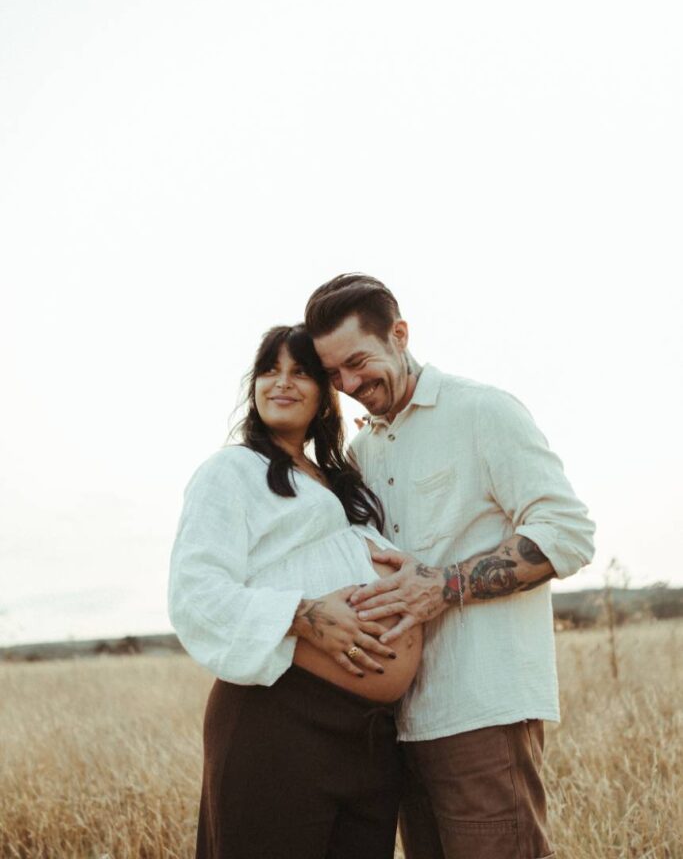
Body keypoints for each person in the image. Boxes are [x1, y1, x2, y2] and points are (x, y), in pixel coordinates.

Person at [304, 273, 596, 859]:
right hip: (403, 721)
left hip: (481, 712)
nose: (351, 383)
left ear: (400, 335)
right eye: (334, 375)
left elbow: (568, 532)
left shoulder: (482, 411)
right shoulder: (364, 451)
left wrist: (445, 586)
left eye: (358, 362)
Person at [168, 324, 423, 859]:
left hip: (369, 737)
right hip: (280, 719)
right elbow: (195, 593)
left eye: (301, 371)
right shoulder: (231, 471)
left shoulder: (344, 480)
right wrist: (303, 614)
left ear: (326, 392)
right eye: (269, 369)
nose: (281, 383)